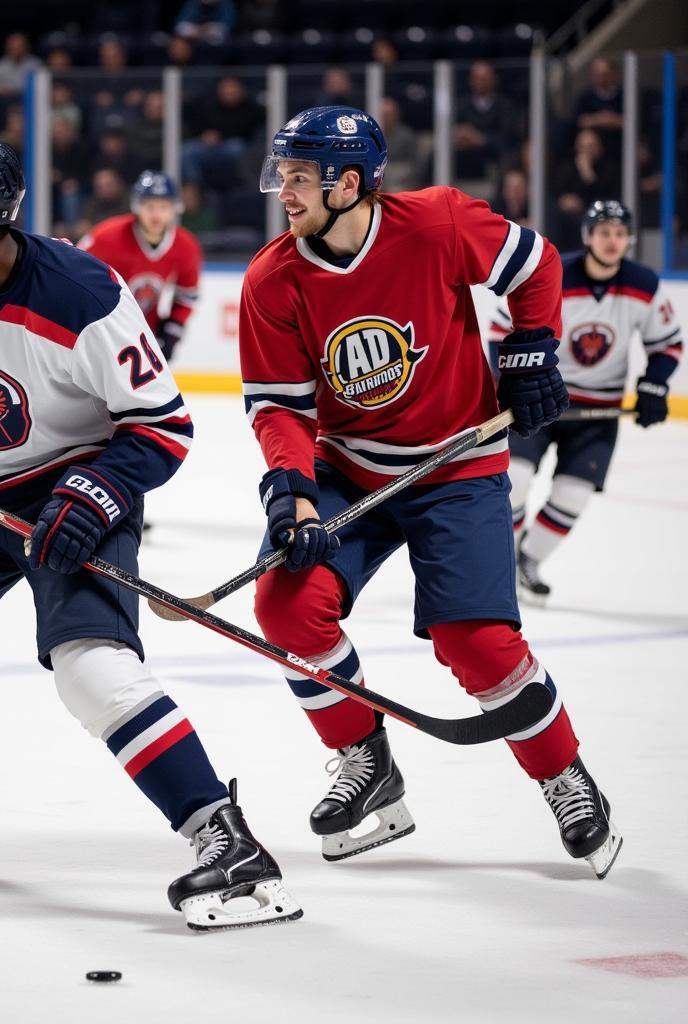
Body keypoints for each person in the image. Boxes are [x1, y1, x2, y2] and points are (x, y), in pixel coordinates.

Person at [0, 133, 299, 931]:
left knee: (92, 671)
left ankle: (225, 839)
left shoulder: (83, 293)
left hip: (78, 492)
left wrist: (97, 490)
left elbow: (163, 425)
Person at [239, 106, 622, 879]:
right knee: (285, 605)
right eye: (281, 175)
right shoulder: (273, 278)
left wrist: (531, 347)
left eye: (299, 176)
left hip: (459, 463)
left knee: (475, 644)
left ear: (350, 184)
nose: (284, 190)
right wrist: (294, 498)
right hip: (350, 468)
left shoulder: (440, 222)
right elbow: (280, 406)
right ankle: (364, 757)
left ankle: (563, 776)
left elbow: (540, 264)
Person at [487, 199, 682, 600]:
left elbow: (667, 344)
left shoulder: (643, 285)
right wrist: (508, 379)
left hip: (599, 411)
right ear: (588, 236)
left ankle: (529, 560)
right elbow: (498, 328)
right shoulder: (556, 274)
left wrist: (654, 384)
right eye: (604, 232)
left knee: (573, 494)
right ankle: (503, 559)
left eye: (620, 233)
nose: (612, 241)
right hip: (541, 400)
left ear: (629, 239)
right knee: (517, 480)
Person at [78, 170, 202, 363]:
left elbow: (186, 296)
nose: (156, 214)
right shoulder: (106, 236)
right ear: (137, 206)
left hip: (144, 335)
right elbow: (73, 270)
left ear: (175, 208)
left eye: (163, 206)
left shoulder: (186, 246)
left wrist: (172, 329)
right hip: (99, 331)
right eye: (149, 206)